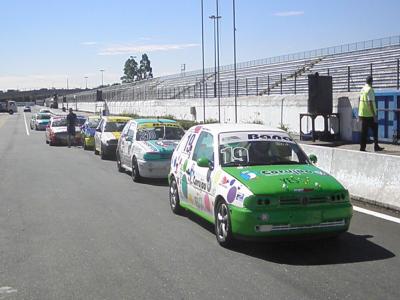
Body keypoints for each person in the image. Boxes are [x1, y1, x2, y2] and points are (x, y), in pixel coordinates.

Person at [358, 76, 384, 152]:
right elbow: (370, 103)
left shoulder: (362, 89)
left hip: (362, 113)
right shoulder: (370, 90)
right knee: (375, 129)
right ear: (371, 82)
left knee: (364, 132)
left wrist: (359, 114)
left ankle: (362, 148)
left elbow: (360, 101)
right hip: (369, 114)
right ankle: (376, 146)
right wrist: (374, 115)